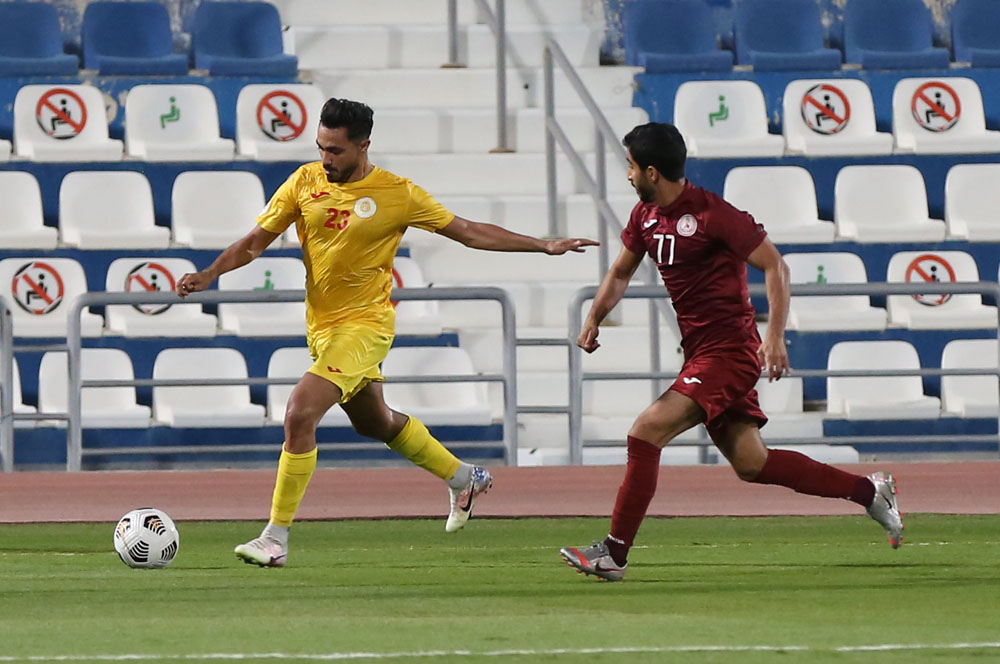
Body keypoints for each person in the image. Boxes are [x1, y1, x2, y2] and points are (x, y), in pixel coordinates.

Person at [177, 98, 598, 567]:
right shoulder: (304, 181)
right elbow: (255, 242)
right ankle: (464, 478)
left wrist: (542, 245)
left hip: (366, 327)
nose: (325, 159)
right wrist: (210, 273)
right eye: (321, 148)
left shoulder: (398, 194)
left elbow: (468, 232)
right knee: (374, 422)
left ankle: (275, 538)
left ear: (363, 146)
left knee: (299, 412)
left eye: (335, 150)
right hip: (322, 329)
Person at [558, 122, 903, 582]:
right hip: (700, 353)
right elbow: (621, 273)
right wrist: (595, 317)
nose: (628, 174)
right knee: (752, 463)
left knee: (645, 432)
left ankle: (614, 554)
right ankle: (869, 492)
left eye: (631, 166)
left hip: (730, 353)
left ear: (652, 172)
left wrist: (774, 336)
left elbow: (775, 265)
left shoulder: (713, 214)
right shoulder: (644, 217)